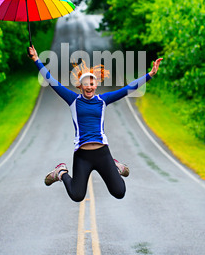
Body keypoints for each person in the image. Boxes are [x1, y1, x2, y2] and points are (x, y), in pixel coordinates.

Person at [28, 45, 162, 202]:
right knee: (77, 195)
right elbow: (51, 81)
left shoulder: (103, 100)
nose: (89, 87)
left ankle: (114, 166)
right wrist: (36, 59)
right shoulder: (73, 100)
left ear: (95, 85)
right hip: (82, 155)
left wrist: (150, 74)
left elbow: (128, 89)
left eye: (92, 84)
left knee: (119, 192)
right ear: (80, 86)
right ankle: (61, 172)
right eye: (86, 84)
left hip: (102, 153)